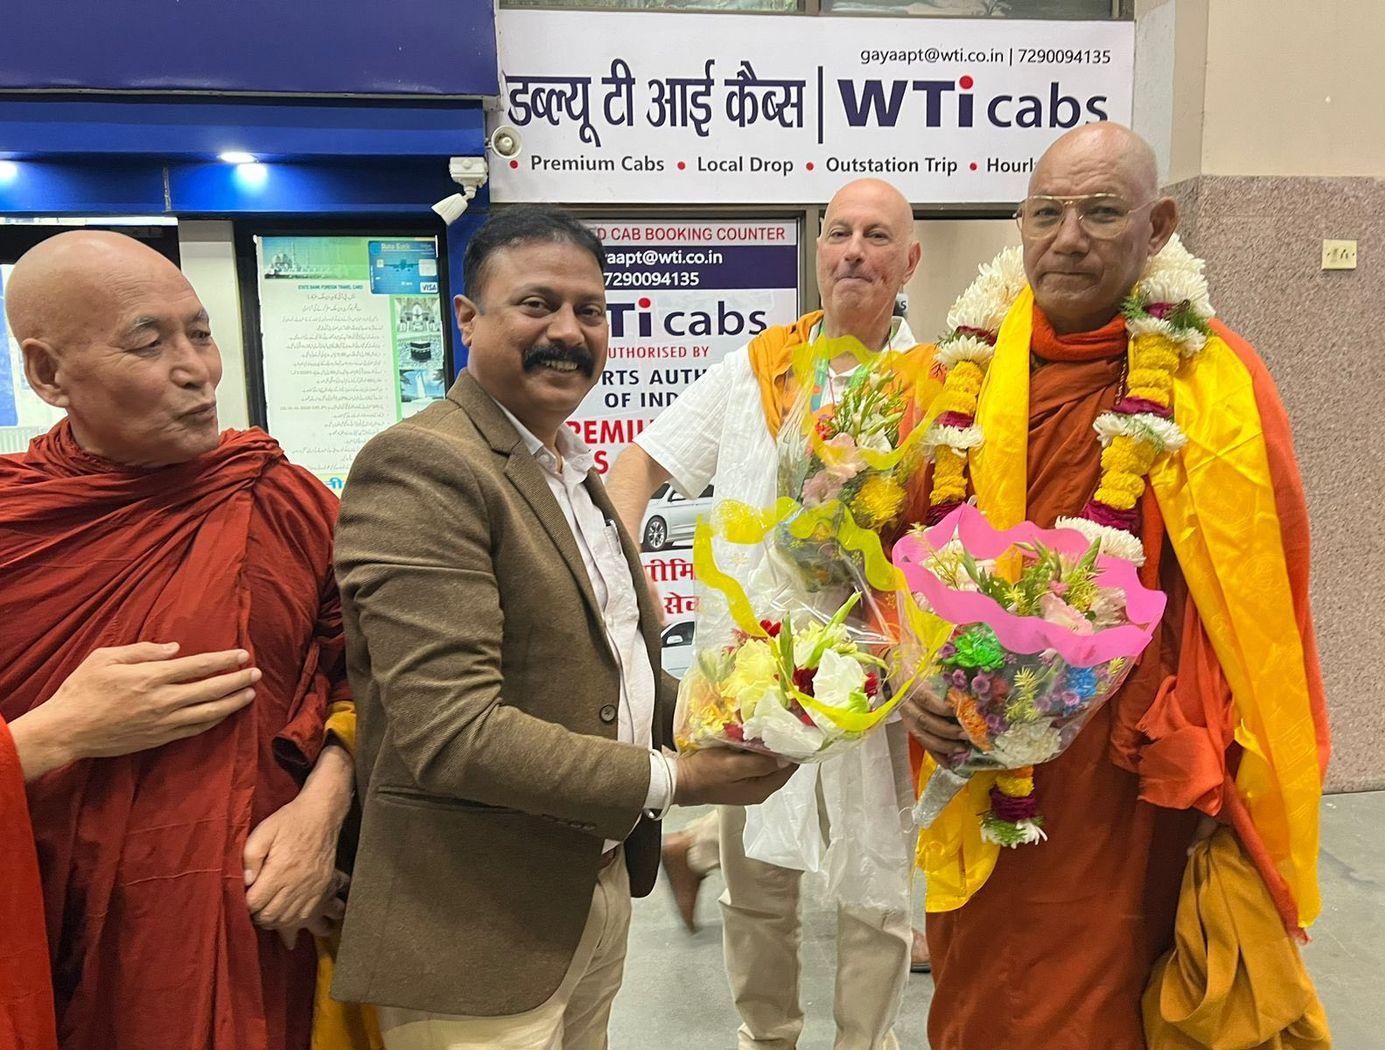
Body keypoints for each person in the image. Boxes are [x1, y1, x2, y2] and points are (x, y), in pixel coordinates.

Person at [900, 122, 1330, 1049]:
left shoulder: (1215, 384)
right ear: (1019, 224)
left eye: (1101, 212)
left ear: (1159, 225)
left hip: (1127, 772)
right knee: (982, 989)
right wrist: (917, 682)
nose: (1069, 237)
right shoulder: (961, 372)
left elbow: (1258, 598)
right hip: (978, 744)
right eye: (1046, 212)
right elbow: (904, 545)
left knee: (1102, 995)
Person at [330, 206, 794, 1050]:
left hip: (593, 885)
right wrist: (679, 779)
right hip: (475, 920)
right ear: (466, 318)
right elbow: (453, 733)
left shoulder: (567, 469)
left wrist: (758, 715)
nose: (567, 333)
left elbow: (605, 670)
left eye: (590, 310)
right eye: (536, 304)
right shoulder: (426, 465)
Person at [0, 231, 357, 1050]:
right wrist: (57, 733)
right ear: (48, 374)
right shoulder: (15, 529)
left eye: (199, 331)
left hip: (265, 930)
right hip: (54, 941)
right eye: (147, 342)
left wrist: (323, 810)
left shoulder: (281, 500)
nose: (197, 369)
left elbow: (362, 677)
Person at [609, 178, 931, 1049]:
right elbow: (639, 464)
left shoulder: (935, 388)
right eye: (837, 234)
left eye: (875, 236)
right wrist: (616, 564)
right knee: (755, 885)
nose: (853, 250)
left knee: (874, 888)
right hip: (750, 673)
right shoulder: (756, 368)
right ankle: (769, 1038)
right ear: (817, 252)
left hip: (875, 672)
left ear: (910, 261)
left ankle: (866, 1043)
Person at [1, 646, 261, 1050]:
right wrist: (50, 735)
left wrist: (326, 800)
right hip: (39, 886)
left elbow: (339, 656)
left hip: (206, 908)